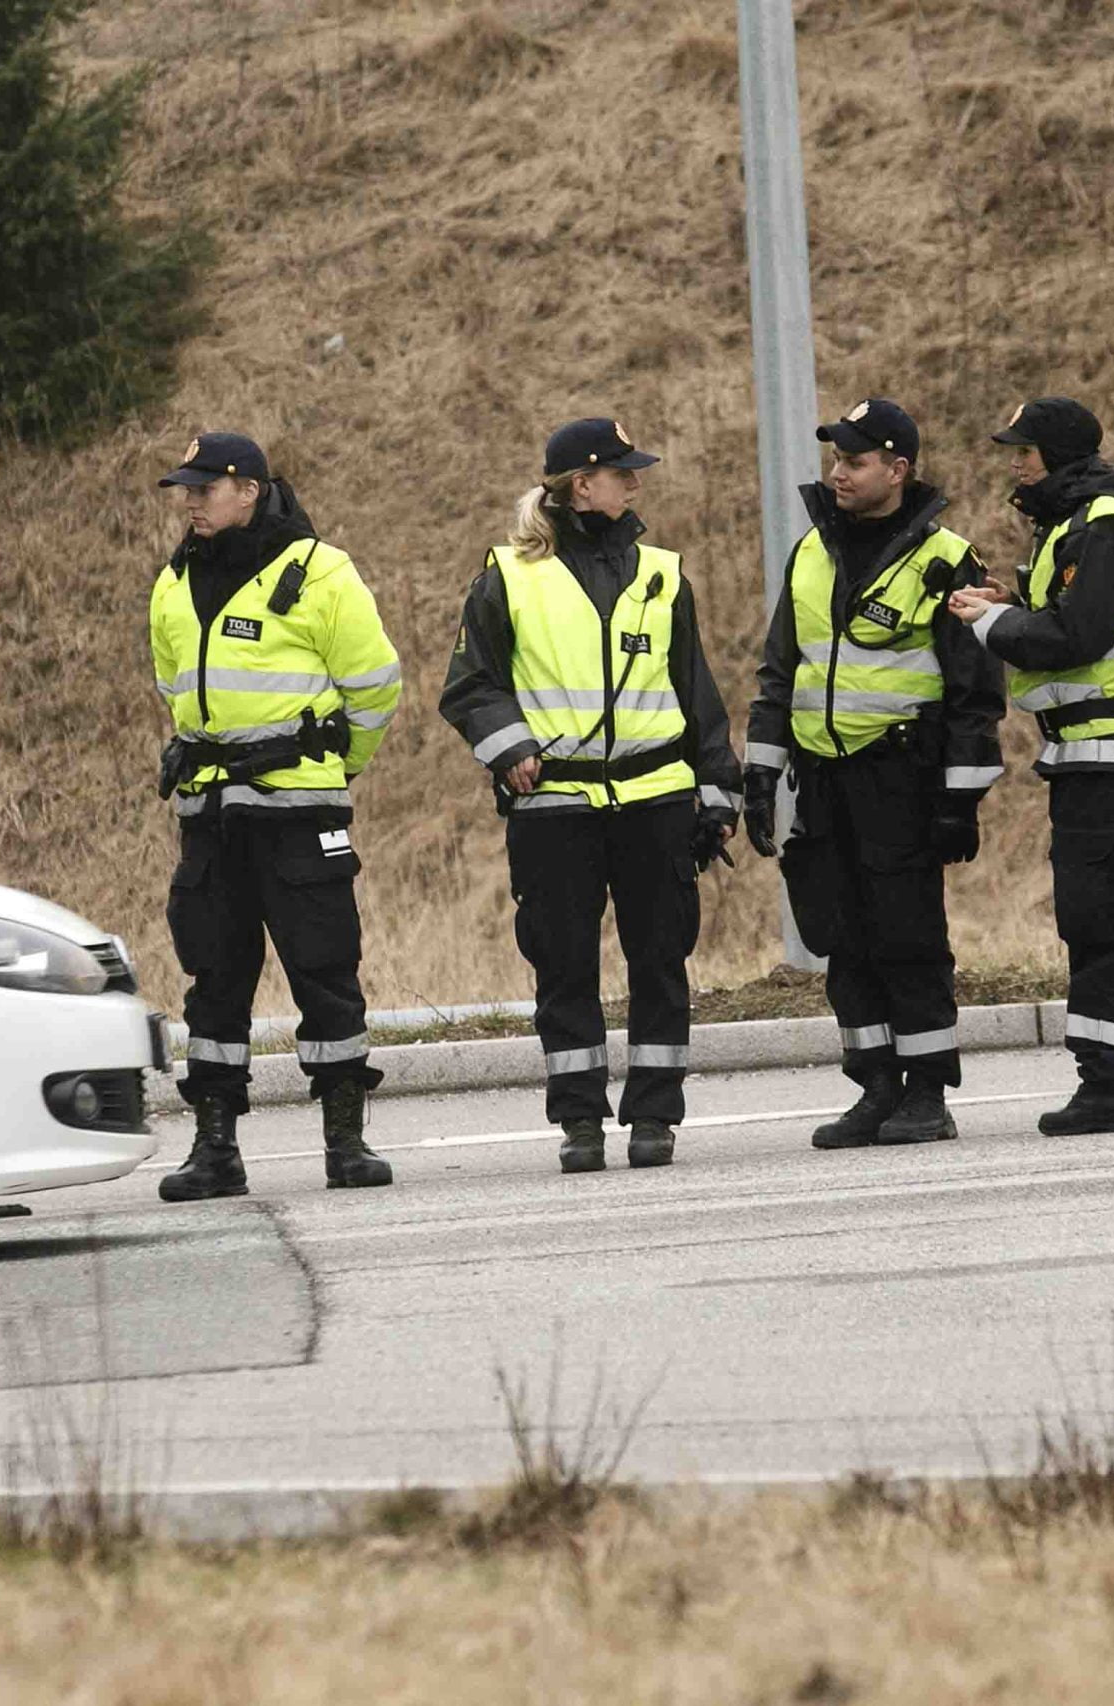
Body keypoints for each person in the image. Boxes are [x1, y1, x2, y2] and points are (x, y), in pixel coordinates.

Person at [440, 418, 741, 1173]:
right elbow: (471, 684)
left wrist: (719, 791)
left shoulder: (662, 573)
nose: (635, 484)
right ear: (583, 484)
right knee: (564, 966)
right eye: (622, 473)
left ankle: (654, 1117)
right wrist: (508, 747)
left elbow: (695, 693)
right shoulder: (507, 575)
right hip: (556, 808)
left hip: (657, 802)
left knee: (661, 960)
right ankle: (578, 1120)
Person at [743, 399, 1006, 1149]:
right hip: (823, 780)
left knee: (907, 934)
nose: (839, 474)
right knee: (842, 937)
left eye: (855, 462)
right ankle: (876, 1085)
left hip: (902, 776)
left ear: (898, 469)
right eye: (836, 461)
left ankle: (927, 1092)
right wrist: (761, 776)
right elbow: (780, 674)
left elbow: (974, 692)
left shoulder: (946, 558)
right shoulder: (812, 552)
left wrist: (962, 799)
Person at [148, 432, 404, 1199]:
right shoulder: (174, 581)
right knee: (213, 983)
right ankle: (214, 1148)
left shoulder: (320, 572)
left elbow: (376, 686)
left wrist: (335, 762)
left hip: (298, 814)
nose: (191, 502)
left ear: (249, 490)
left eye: (205, 488)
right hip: (211, 817)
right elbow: (174, 690)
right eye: (185, 491)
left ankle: (345, 1141)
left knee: (325, 974)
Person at [947, 397, 1114, 1135]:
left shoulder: (1102, 526)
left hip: (1111, 755)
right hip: (1098, 754)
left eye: (1026, 449)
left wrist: (991, 623)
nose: (1015, 461)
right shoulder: (1073, 528)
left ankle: (1109, 1086)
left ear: (1061, 454)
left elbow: (1078, 635)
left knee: (1098, 918)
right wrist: (1007, 603)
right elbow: (1070, 618)